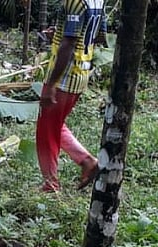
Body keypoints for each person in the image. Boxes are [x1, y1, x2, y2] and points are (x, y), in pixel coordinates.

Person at [36, 0, 108, 193]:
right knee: (54, 125)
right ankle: (86, 161)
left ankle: (51, 184)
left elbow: (69, 42)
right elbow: (99, 36)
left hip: (64, 77)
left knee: (46, 132)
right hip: (81, 74)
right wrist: (59, 33)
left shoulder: (75, 1)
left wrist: (51, 84)